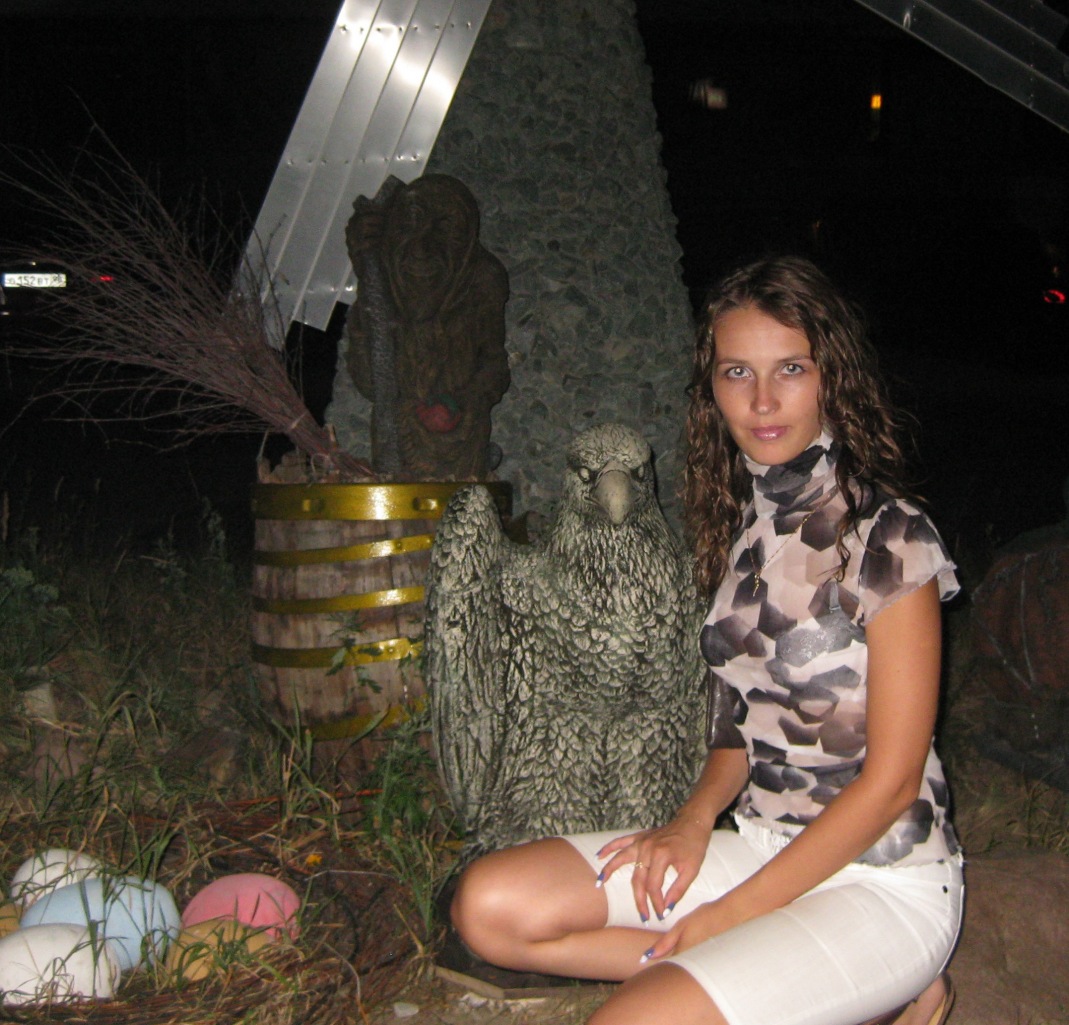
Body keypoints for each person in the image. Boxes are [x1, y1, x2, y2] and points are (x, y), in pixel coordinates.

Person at [449, 255, 964, 1025]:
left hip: (882, 876)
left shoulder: (888, 536)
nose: (762, 399)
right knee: (490, 905)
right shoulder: (742, 527)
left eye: (790, 368)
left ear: (832, 376)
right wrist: (691, 822)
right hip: (760, 844)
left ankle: (879, 981)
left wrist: (731, 915)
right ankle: (853, 1000)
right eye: (736, 372)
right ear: (711, 387)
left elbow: (890, 784)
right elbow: (737, 724)